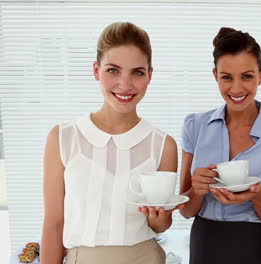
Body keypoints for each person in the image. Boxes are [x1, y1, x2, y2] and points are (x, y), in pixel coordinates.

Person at [40, 22, 179, 264]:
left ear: (149, 75)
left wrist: (159, 216)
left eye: (137, 72)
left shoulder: (163, 145)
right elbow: (53, 225)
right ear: (96, 71)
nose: (125, 84)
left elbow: (161, 226)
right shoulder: (63, 138)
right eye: (113, 70)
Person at [179, 27, 261, 264]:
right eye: (226, 77)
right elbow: (185, 210)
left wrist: (256, 196)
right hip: (205, 242)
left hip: (254, 246)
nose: (236, 89)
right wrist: (197, 189)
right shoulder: (195, 126)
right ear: (215, 75)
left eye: (246, 76)